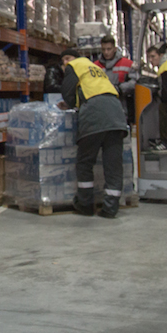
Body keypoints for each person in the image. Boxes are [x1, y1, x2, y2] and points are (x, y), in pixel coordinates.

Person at [59, 48, 128, 219]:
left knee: (85, 161)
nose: (65, 63)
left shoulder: (75, 65)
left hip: (95, 114)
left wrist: (71, 104)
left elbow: (67, 91)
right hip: (116, 113)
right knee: (113, 164)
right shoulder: (94, 68)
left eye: (67, 58)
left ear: (75, 58)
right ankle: (110, 208)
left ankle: (85, 205)